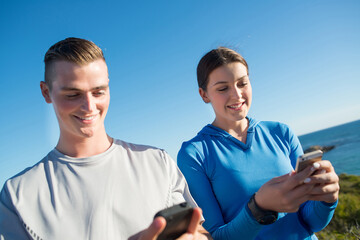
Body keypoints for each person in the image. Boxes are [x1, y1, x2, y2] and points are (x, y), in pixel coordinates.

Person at [0, 37, 210, 240]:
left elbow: (200, 232)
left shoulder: (158, 162)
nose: (89, 107)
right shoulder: (18, 195)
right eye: (73, 95)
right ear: (46, 92)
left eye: (98, 92)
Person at [177, 47, 340, 240]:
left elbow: (310, 223)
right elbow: (215, 237)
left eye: (242, 83)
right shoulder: (194, 154)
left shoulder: (281, 132)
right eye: (223, 88)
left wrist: (328, 200)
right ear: (204, 95)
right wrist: (258, 208)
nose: (237, 95)